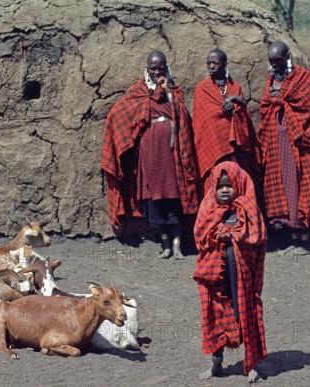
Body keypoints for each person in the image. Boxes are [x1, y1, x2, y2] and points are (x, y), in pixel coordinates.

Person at [101, 50, 199, 258]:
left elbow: (181, 114)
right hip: (149, 153)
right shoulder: (139, 91)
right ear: (147, 69)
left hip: (173, 154)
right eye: (153, 68)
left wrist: (167, 93)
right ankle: (165, 244)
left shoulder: (174, 91)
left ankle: (178, 243)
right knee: (153, 198)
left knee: (175, 195)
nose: (157, 72)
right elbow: (117, 114)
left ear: (166, 68)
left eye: (161, 68)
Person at [192, 161, 267, 383]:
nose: (224, 190)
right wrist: (218, 235)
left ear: (239, 184)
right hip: (215, 279)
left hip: (242, 277)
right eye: (220, 186)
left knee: (246, 314)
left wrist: (234, 236)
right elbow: (200, 237)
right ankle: (216, 364)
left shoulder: (248, 208)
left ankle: (251, 365)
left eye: (229, 185)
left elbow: (257, 237)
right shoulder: (208, 207)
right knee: (215, 315)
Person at [258, 41, 310, 247]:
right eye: (271, 62)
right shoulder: (271, 78)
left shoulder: (302, 77)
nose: (275, 65)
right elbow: (265, 104)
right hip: (276, 142)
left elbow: (306, 106)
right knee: (280, 184)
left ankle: (303, 235)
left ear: (287, 57)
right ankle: (291, 236)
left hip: (297, 142)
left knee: (299, 186)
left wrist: (280, 99)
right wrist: (273, 100)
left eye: (278, 61)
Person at [192, 48, 262, 198]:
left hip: (236, 148)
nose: (211, 66)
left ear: (224, 64)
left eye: (215, 63)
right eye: (209, 63)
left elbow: (244, 117)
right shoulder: (201, 89)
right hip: (214, 148)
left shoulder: (235, 87)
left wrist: (235, 109)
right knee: (216, 183)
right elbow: (204, 119)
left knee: (236, 180)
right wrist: (224, 110)